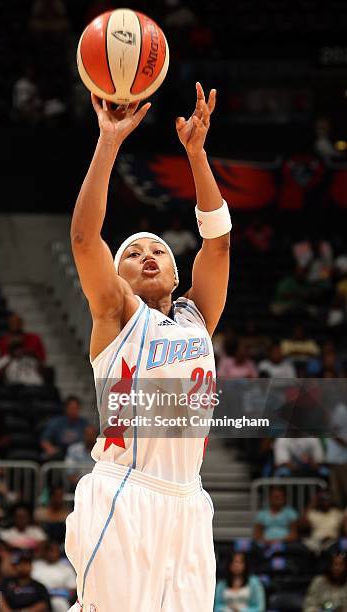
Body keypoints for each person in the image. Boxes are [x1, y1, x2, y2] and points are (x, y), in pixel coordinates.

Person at [65, 83, 231, 611]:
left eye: (158, 249)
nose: (148, 255)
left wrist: (197, 156)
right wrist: (109, 142)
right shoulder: (117, 314)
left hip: (188, 503)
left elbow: (219, 242)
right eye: (134, 253)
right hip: (125, 492)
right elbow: (85, 240)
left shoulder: (196, 317)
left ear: (178, 271)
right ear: (118, 277)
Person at [31, 541, 76, 612]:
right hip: (37, 598)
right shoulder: (35, 565)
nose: (50, 553)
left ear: (58, 552)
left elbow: (72, 590)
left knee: (60, 604)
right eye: (48, 550)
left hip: (57, 598)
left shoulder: (66, 568)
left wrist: (60, 593)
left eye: (53, 551)